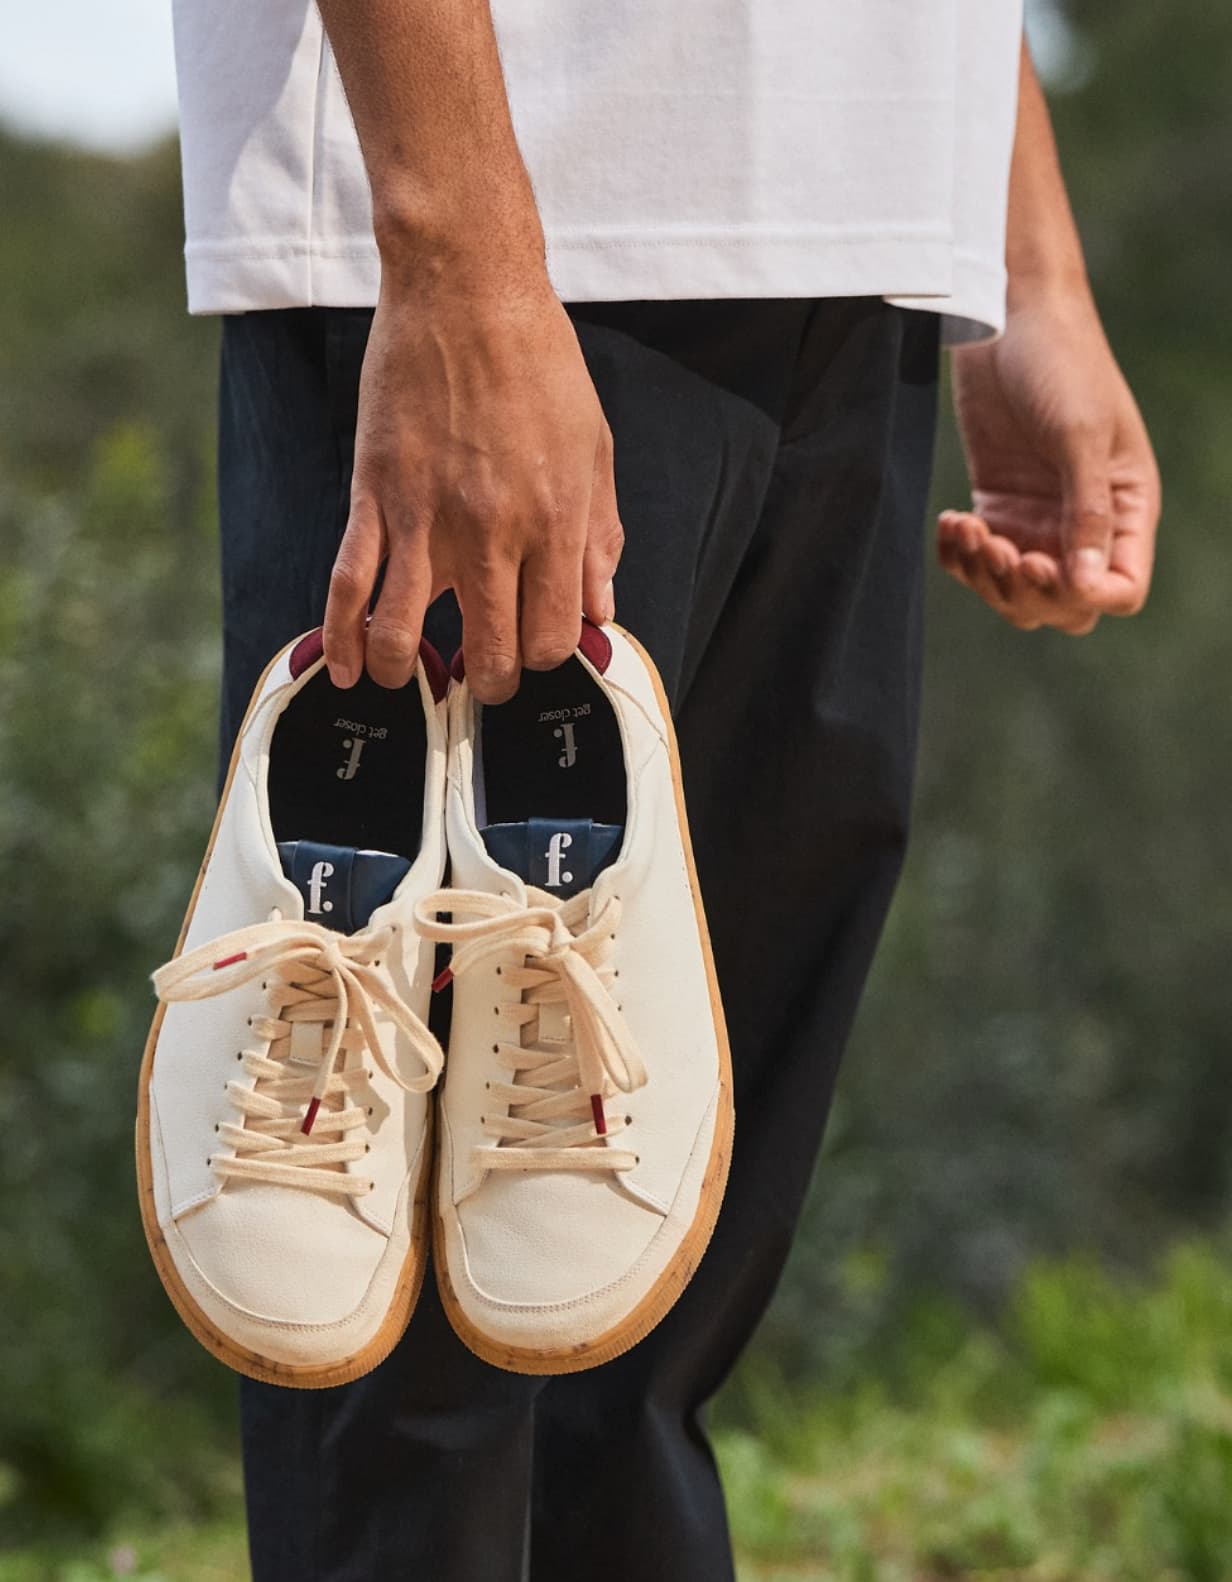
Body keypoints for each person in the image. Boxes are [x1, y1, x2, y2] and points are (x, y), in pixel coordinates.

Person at [168, 0, 1160, 1575]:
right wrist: (459, 260)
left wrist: (1022, 259)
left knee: (642, 1327)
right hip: (518, 215)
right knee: (400, 1370)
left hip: (869, 239)